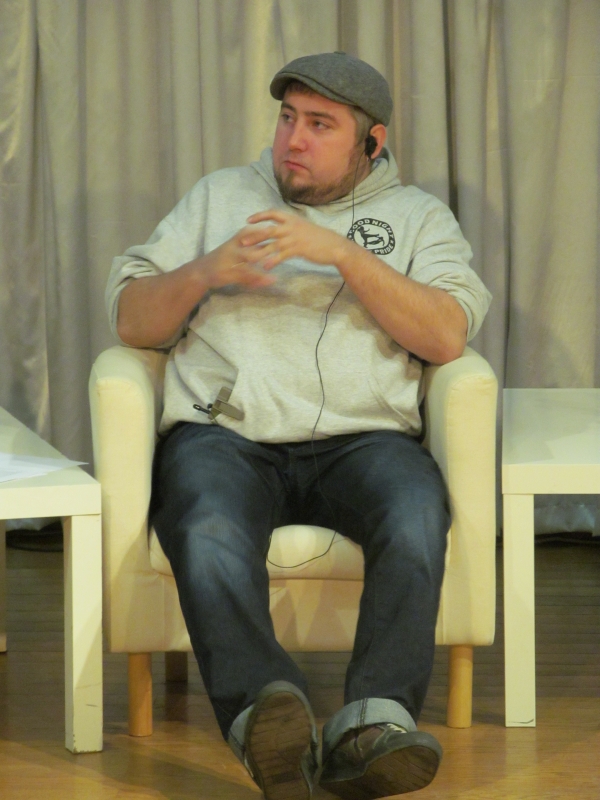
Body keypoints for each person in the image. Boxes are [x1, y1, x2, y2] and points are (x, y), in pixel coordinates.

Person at [106, 52, 491, 800]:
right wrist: (206, 270)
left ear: (371, 142)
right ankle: (266, 717)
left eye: (320, 125)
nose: (294, 140)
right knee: (206, 525)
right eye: (288, 119)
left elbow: (447, 334)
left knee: (415, 513)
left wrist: (341, 254)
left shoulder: (418, 217)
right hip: (226, 437)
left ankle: (372, 727)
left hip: (366, 441)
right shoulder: (220, 196)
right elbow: (130, 319)